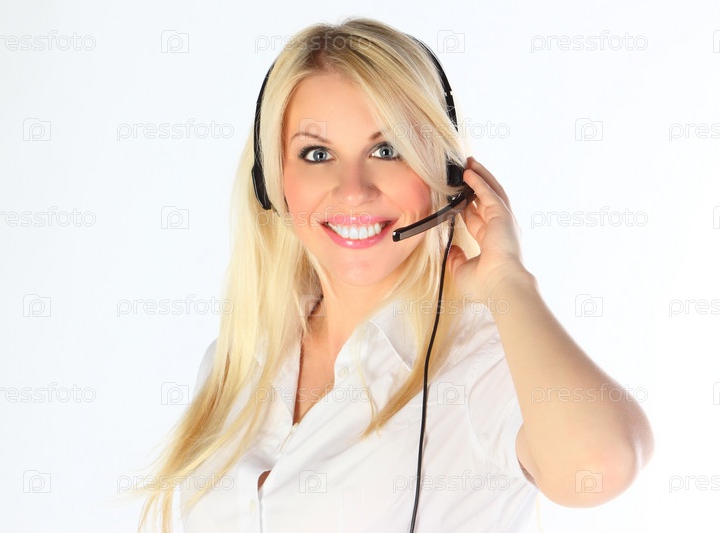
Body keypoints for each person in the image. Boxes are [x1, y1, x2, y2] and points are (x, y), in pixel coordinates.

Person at [133, 17, 654, 533]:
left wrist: (509, 283)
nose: (353, 190)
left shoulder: (484, 361)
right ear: (273, 182)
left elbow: (600, 466)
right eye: (317, 154)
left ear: (445, 174)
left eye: (387, 150)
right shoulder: (239, 357)